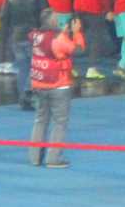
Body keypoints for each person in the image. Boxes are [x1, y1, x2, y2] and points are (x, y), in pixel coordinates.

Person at [27, 10, 85, 168]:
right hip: (58, 84)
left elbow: (50, 44)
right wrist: (76, 33)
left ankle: (35, 157)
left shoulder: (36, 36)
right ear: (53, 22)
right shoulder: (59, 39)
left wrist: (64, 34)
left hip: (39, 83)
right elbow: (78, 50)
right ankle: (53, 158)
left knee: (40, 120)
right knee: (60, 122)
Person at [1, 0, 46, 112]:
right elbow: (45, 15)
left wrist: (5, 38)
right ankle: (29, 93)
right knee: (36, 68)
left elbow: (4, 17)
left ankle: (23, 96)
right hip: (34, 35)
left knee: (23, 69)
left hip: (16, 36)